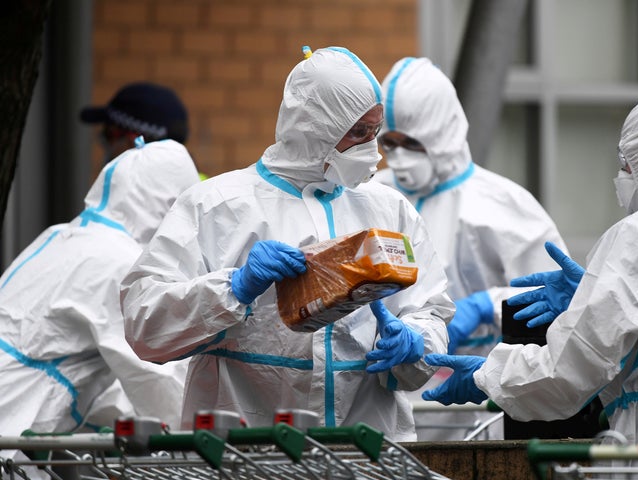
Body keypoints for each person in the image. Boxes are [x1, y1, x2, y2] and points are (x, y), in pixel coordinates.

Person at [120, 46, 453, 441]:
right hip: (248, 455)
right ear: (316, 127)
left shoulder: (389, 209)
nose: (372, 149)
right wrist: (233, 289)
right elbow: (145, 325)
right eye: (359, 133)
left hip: (367, 452)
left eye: (375, 130)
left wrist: (413, 341)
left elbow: (431, 307)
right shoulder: (217, 206)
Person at [423, 82, 638, 446]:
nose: (623, 177)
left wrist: (487, 375)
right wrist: (594, 298)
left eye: (627, 165)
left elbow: (567, 374)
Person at [373, 56, 568, 440]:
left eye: (411, 143)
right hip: (386, 407)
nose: (398, 157)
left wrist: (486, 305)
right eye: (388, 143)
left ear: (442, 132)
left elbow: (557, 302)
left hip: (478, 405)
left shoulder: (505, 206)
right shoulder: (373, 196)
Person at [0, 139, 200, 445]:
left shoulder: (60, 236)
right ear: (168, 207)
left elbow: (94, 379)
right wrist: (211, 436)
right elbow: (158, 382)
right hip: (13, 424)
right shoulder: (116, 264)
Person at [80, 81, 189, 164]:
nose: (105, 145)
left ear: (133, 142)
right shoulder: (196, 186)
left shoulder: (128, 192)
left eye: (108, 135)